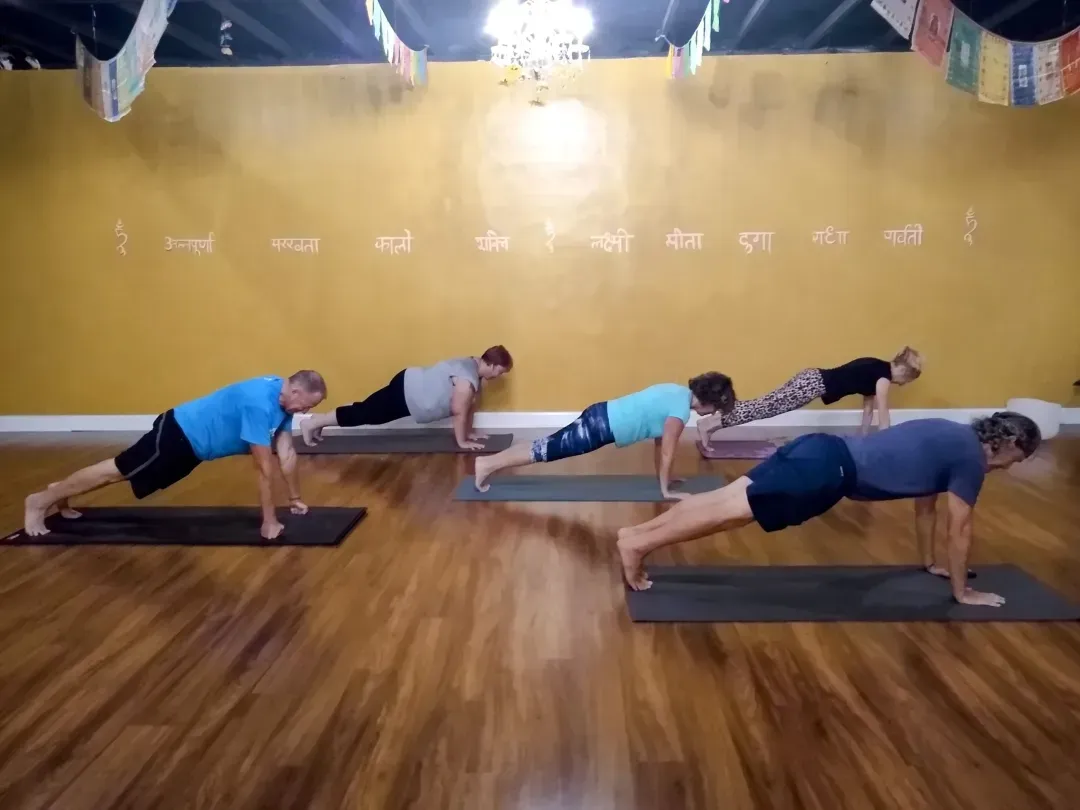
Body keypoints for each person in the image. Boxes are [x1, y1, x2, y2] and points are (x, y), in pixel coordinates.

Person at [617, 411, 1040, 604]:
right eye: (1015, 459)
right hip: (827, 471)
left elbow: (925, 505)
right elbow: (959, 528)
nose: (1009, 467)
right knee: (729, 513)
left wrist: (930, 563)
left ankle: (636, 536)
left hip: (818, 448)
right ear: (1006, 443)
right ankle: (638, 546)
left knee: (722, 501)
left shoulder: (950, 433)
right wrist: (963, 593)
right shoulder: (970, 458)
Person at [22, 371, 327, 541]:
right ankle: (39, 501)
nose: (306, 411)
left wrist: (295, 498)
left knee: (124, 474)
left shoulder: (282, 400)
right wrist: (268, 522)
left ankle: (60, 491)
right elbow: (263, 468)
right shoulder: (259, 403)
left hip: (192, 449)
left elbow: (286, 452)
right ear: (296, 392)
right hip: (177, 434)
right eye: (308, 406)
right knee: (118, 470)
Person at [474, 372, 737, 499]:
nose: (714, 412)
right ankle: (487, 464)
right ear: (709, 400)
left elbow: (660, 444)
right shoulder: (679, 413)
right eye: (716, 408)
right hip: (599, 429)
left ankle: (489, 462)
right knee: (542, 451)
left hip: (600, 414)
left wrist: (666, 478)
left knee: (543, 446)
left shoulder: (677, 392)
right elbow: (668, 450)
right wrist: (666, 492)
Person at [301, 347, 513, 451]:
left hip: (409, 385)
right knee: (365, 413)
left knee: (364, 410)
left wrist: (470, 432)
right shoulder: (467, 379)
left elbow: (469, 407)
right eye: (500, 371)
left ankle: (319, 421)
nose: (499, 376)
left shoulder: (472, 366)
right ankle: (313, 423)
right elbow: (459, 410)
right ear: (491, 365)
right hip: (408, 392)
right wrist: (462, 441)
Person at [698, 347, 923, 445]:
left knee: (764, 405)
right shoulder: (883, 378)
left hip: (811, 380)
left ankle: (713, 423)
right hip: (812, 384)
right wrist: (887, 442)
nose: (902, 385)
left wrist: (862, 440)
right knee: (765, 407)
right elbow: (883, 414)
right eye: (906, 380)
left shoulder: (876, 368)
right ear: (904, 372)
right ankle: (711, 423)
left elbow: (868, 411)